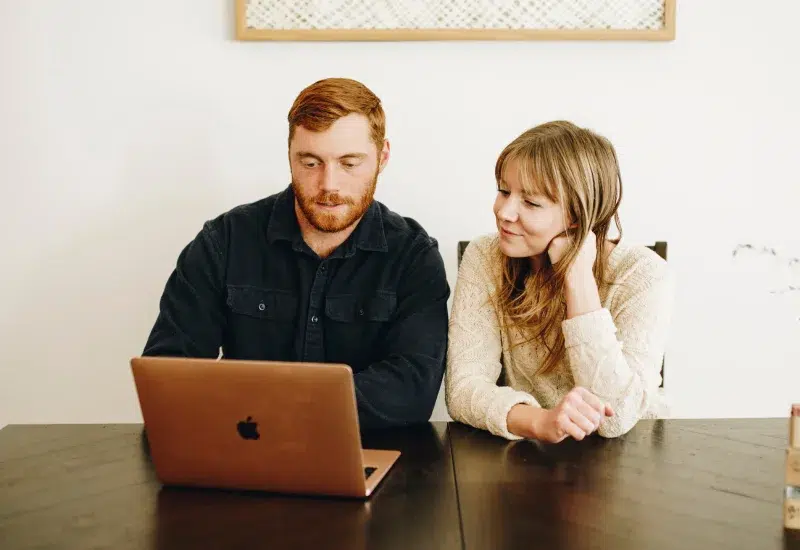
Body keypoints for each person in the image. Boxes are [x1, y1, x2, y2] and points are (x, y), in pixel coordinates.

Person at [142, 77, 450, 430]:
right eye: (310, 162)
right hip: (247, 453)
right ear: (289, 155)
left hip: (374, 456)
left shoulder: (413, 255)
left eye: (350, 163)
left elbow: (412, 391)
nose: (329, 185)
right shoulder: (225, 240)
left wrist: (271, 406)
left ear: (382, 158)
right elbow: (168, 372)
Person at [445, 121, 675, 442]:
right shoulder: (486, 255)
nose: (504, 212)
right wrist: (540, 421)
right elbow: (464, 387)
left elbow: (616, 418)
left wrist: (577, 277)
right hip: (528, 454)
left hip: (630, 456)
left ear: (577, 216)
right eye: (503, 191)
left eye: (531, 202)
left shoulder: (642, 274)